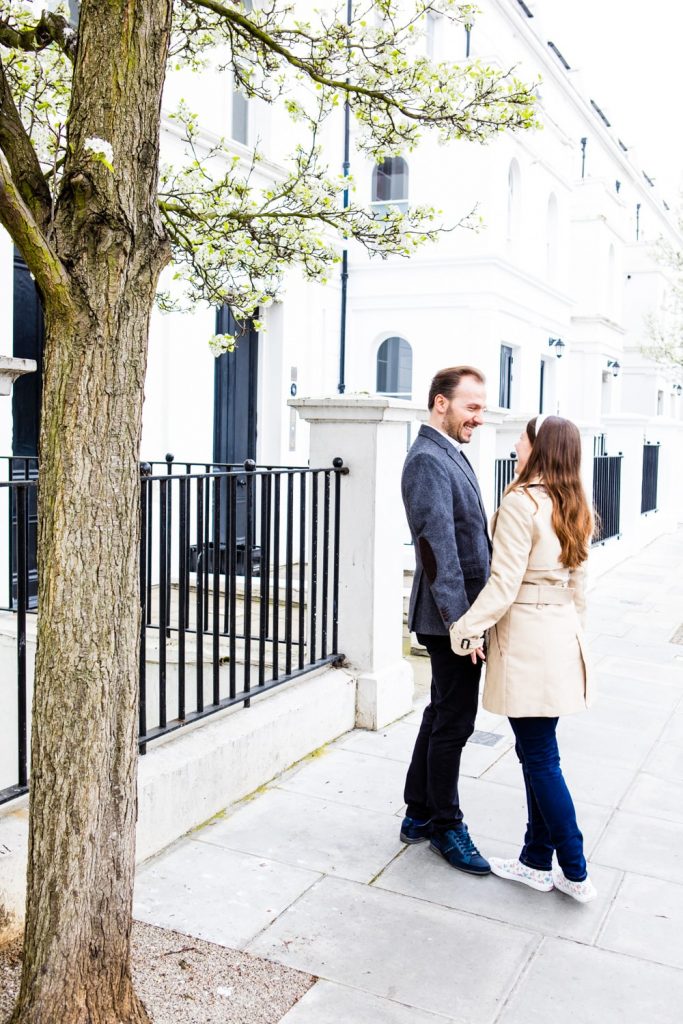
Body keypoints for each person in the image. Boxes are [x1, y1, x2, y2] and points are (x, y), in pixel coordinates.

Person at [449, 414, 597, 903]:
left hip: (530, 640)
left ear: (540, 447)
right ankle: (536, 860)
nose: (515, 444)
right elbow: (579, 588)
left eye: (522, 437)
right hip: (559, 636)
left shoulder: (522, 503)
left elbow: (503, 584)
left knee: (539, 757)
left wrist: (465, 628)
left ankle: (573, 868)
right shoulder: (574, 503)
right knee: (537, 749)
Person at [400, 366, 492, 875]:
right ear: (441, 403)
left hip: (457, 615)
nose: (479, 417)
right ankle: (445, 825)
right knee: (455, 722)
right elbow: (437, 549)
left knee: (440, 712)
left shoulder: (448, 453)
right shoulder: (427, 460)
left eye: (481, 407)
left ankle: (417, 813)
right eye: (471, 406)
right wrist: (463, 624)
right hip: (448, 618)